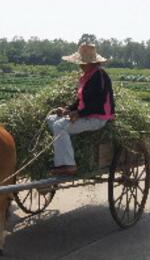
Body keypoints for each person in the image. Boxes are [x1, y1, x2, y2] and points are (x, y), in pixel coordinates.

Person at [46, 43, 116, 176]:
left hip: (97, 118)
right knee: (51, 119)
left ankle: (68, 165)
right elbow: (81, 101)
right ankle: (65, 151)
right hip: (87, 115)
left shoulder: (99, 77)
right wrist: (67, 109)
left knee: (60, 125)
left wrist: (79, 113)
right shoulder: (88, 76)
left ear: (91, 63)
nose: (80, 65)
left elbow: (98, 104)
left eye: (82, 63)